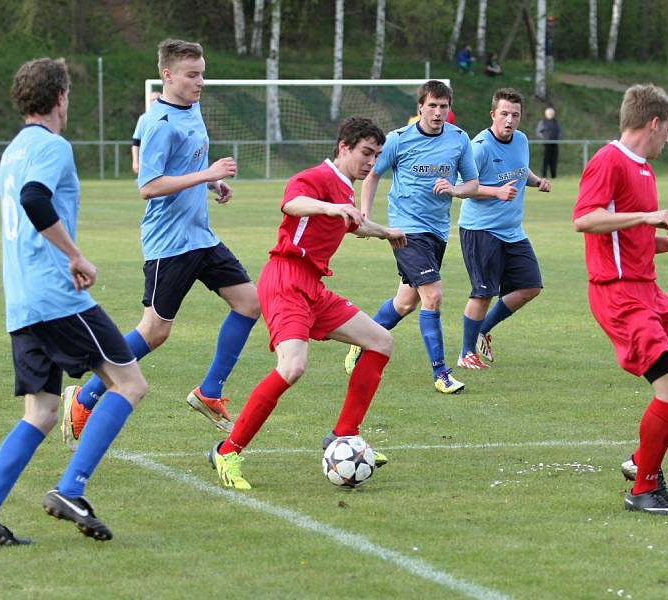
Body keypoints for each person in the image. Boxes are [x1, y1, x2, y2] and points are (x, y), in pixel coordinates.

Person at [0, 58, 148, 548]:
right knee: (129, 383)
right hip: (56, 297)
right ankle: (71, 488)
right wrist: (75, 255)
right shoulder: (52, 147)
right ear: (60, 96)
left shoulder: (14, 149)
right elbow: (35, 199)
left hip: (21, 300)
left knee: (42, 412)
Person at [61, 39, 260, 449]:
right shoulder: (158, 123)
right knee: (153, 332)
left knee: (250, 303)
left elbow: (186, 165)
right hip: (169, 244)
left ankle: (209, 390)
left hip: (200, 237)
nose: (200, 81)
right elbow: (149, 187)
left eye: (202, 73)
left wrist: (213, 181)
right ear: (167, 75)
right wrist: (206, 175)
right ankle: (85, 396)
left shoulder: (193, 108)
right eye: (192, 75)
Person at [210, 117, 406, 490]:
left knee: (381, 341)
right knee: (293, 367)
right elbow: (293, 203)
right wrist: (330, 209)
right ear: (344, 147)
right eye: (366, 153)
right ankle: (228, 450)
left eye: (377, 155)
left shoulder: (345, 188)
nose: (371, 162)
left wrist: (386, 233)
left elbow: (355, 223)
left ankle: (344, 435)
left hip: (313, 286)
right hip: (285, 280)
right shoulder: (317, 177)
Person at [573, 84, 668, 515]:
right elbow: (586, 219)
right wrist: (649, 217)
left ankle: (644, 459)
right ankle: (643, 487)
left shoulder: (644, 168)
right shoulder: (608, 160)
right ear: (653, 123)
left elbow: (629, 237)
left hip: (649, 290)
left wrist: (665, 244)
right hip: (618, 295)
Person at [344, 80, 479, 394]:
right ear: (420, 107)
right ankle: (441, 374)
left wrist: (455, 189)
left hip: (437, 231)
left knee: (405, 303)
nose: (437, 112)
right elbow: (373, 173)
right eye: (432, 106)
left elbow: (472, 183)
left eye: (443, 107)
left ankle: (360, 341)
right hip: (405, 230)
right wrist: (364, 213)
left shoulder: (459, 140)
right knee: (432, 295)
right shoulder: (398, 140)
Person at [456, 88, 551, 370]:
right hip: (480, 230)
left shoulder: (520, 140)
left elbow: (521, 170)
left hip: (512, 231)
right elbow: (463, 188)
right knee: (483, 293)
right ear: (493, 115)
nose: (510, 120)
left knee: (530, 286)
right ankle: (465, 354)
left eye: (515, 115)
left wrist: (537, 182)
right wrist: (495, 192)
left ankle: (482, 328)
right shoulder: (480, 146)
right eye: (504, 114)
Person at [131, 91, 161, 175]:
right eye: (153, 99)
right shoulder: (144, 118)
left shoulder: (171, 116)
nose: (155, 101)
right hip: (148, 162)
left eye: (157, 99)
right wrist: (135, 161)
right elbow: (136, 142)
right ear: (149, 102)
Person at [536, 106, 561, 178]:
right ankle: (543, 176)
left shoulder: (556, 122)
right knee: (544, 161)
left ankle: (554, 176)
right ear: (546, 114)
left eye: (552, 113)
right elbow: (539, 132)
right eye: (549, 113)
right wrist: (544, 138)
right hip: (545, 145)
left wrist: (558, 137)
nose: (550, 114)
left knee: (554, 161)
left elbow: (559, 131)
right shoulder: (542, 122)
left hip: (554, 144)